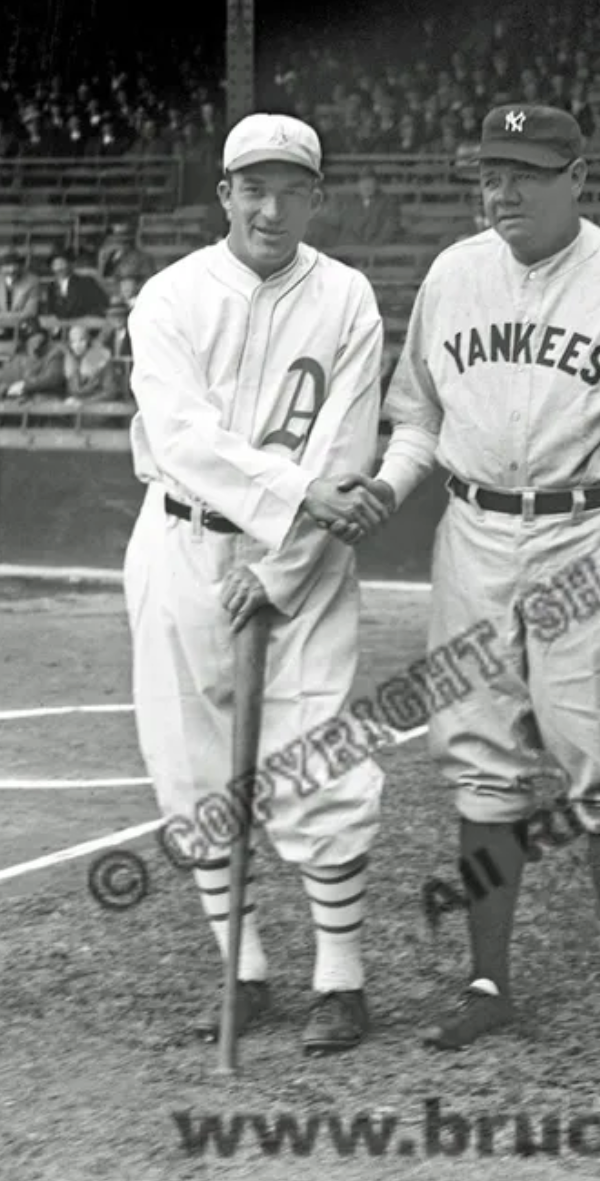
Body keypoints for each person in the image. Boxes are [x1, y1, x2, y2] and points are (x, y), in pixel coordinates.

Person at [347, 104, 600, 1064]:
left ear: (578, 176)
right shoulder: (452, 273)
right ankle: (487, 984)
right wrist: (388, 489)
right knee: (479, 758)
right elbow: (417, 416)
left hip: (596, 534)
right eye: (488, 173)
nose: (500, 191)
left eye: (522, 172)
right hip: (473, 530)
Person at [122, 113, 395, 1057]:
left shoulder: (349, 296)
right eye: (253, 186)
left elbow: (348, 448)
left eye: (291, 188)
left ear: (318, 195)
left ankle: (340, 980)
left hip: (306, 554)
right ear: (225, 192)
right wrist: (288, 505)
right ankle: (241, 968)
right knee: (192, 766)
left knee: (319, 756)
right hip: (182, 542)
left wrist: (281, 565)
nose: (270, 206)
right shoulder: (169, 296)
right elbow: (183, 436)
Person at [0, 318, 66, 399]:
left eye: (37, 336)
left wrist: (24, 385)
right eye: (30, 338)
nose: (35, 341)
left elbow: (52, 378)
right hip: (20, 405)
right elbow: (3, 381)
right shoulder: (18, 358)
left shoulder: (54, 352)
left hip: (47, 402)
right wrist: (5, 390)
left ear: (43, 335)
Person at [42, 252, 111, 321]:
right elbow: (50, 310)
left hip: (85, 323)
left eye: (62, 263)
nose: (59, 268)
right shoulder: (51, 287)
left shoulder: (85, 282)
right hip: (60, 324)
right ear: (51, 268)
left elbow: (101, 305)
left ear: (69, 265)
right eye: (55, 265)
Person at [62, 322, 116, 402]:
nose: (77, 345)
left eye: (81, 340)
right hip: (74, 409)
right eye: (73, 341)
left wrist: (84, 402)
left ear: (88, 340)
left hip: (99, 408)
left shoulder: (102, 358)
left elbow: (111, 392)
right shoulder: (69, 361)